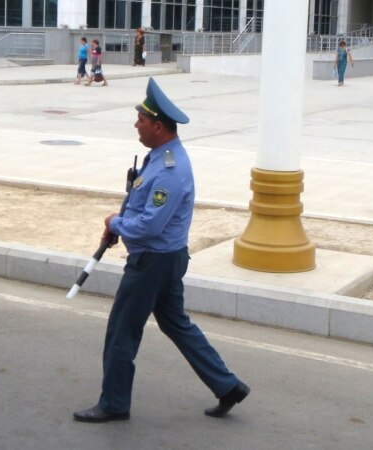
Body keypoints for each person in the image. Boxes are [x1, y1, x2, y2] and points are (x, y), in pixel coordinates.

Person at [73, 78, 250, 424]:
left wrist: (116, 224)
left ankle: (114, 403)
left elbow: (151, 226)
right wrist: (118, 226)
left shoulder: (171, 169)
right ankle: (227, 385)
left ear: (158, 125)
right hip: (164, 258)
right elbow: (138, 207)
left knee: (122, 331)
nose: (136, 124)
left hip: (153, 262)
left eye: (141, 120)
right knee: (177, 325)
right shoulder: (158, 158)